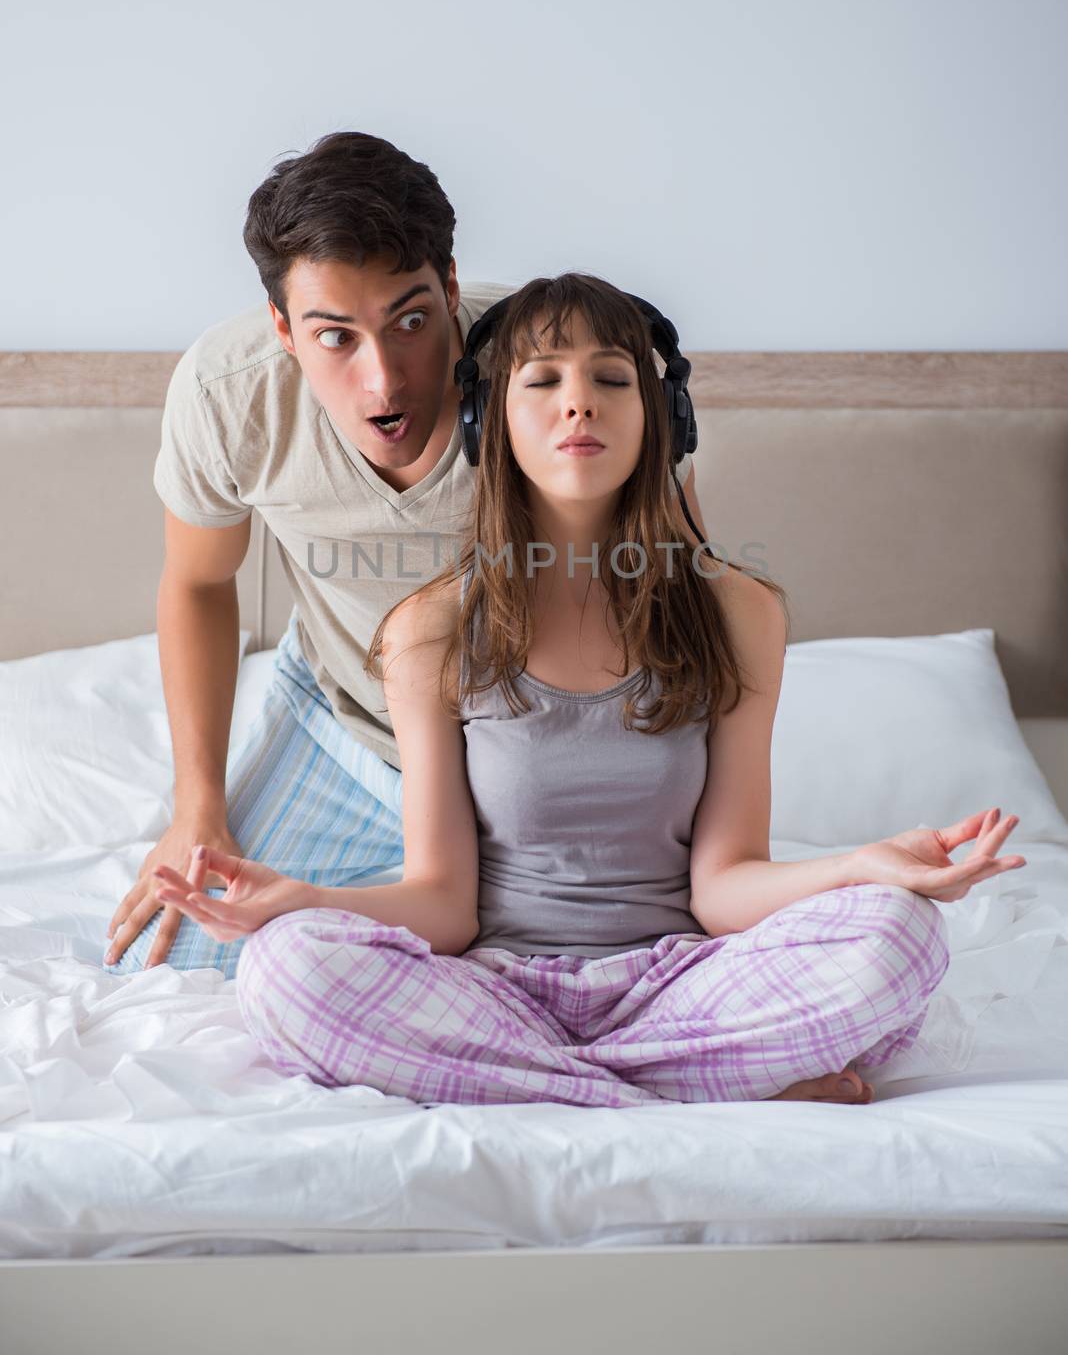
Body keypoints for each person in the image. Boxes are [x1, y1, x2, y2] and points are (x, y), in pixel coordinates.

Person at [146, 275, 1026, 1108]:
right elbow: (442, 907)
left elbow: (724, 888)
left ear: (660, 421)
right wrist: (302, 901)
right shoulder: (429, 629)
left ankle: (562, 1085)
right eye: (543, 380)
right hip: (494, 994)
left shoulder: (738, 610)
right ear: (490, 419)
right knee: (284, 966)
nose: (580, 402)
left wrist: (861, 866)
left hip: (679, 984)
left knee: (900, 935)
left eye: (612, 378)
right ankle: (691, 1087)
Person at [103, 134, 704, 979]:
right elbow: (199, 584)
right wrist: (196, 804)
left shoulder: (562, 377)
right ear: (282, 327)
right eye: (335, 337)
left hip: (536, 748)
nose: (383, 381)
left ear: (452, 289)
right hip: (351, 728)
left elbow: (674, 591)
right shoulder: (226, 395)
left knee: (632, 969)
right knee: (179, 965)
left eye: (412, 322)